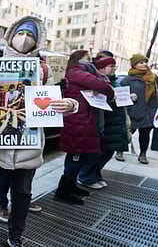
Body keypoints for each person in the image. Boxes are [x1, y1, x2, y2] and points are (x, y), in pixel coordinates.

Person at [0, 16, 79, 247]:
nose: (25, 39)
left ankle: (15, 236)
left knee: (22, 194)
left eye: (30, 35)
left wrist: (69, 105)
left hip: (27, 147)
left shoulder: (42, 70)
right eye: (21, 33)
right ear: (10, 35)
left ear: (37, 41)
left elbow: (52, 101)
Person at [55, 50, 114, 205]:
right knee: (77, 156)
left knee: (75, 156)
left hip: (80, 121)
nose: (91, 62)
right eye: (87, 59)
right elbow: (104, 86)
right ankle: (63, 191)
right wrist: (104, 86)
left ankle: (70, 186)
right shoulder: (77, 72)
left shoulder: (76, 73)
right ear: (78, 60)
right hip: (79, 123)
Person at [77, 57, 129, 189]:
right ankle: (86, 176)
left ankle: (95, 174)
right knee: (98, 152)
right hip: (105, 121)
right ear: (100, 68)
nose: (113, 69)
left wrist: (129, 98)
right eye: (111, 66)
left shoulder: (114, 80)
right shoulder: (97, 82)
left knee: (108, 151)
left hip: (114, 121)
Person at [120, 53, 158, 164]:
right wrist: (129, 97)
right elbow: (121, 96)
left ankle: (143, 154)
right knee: (128, 132)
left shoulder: (153, 78)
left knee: (145, 134)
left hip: (149, 111)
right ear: (134, 65)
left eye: (145, 62)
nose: (144, 64)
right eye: (141, 62)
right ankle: (120, 150)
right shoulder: (128, 79)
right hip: (134, 111)